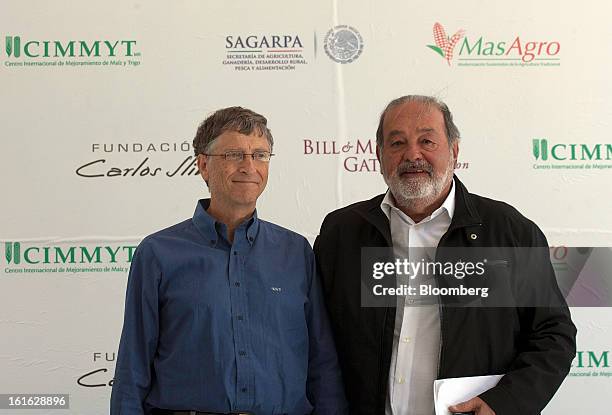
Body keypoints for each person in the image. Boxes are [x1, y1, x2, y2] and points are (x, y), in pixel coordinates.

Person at [313, 95, 576, 415]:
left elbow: (553, 335)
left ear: (454, 150)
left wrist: (504, 403)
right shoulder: (343, 232)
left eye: (427, 140)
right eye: (397, 143)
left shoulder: (508, 232)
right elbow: (315, 338)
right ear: (379, 156)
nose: (412, 154)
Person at [111, 107, 347, 415]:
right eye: (234, 154)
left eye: (260, 155)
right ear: (203, 165)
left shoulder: (296, 252)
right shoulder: (158, 253)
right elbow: (132, 369)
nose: (250, 166)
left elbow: (323, 365)